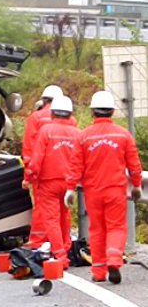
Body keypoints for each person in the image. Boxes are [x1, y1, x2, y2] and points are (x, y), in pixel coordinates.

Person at [64, 90, 143, 284]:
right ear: (112, 112)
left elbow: (76, 166)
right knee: (116, 226)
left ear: (92, 113)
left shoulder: (83, 137)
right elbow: (134, 164)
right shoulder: (123, 135)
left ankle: (98, 272)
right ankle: (114, 259)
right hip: (115, 190)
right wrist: (137, 186)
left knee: (97, 230)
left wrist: (70, 188)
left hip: (93, 192)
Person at [22, 96, 80, 269]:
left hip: (48, 183)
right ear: (70, 114)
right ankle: (66, 248)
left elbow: (36, 158)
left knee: (52, 220)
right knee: (65, 217)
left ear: (53, 112)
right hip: (69, 183)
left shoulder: (46, 130)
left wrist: (28, 178)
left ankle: (61, 256)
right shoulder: (77, 133)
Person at [21, 85, 64, 248]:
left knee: (42, 206)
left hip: (42, 172)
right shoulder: (70, 120)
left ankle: (38, 240)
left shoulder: (36, 118)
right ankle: (61, 242)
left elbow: (29, 148)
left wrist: (28, 173)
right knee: (62, 210)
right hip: (65, 171)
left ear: (44, 100)